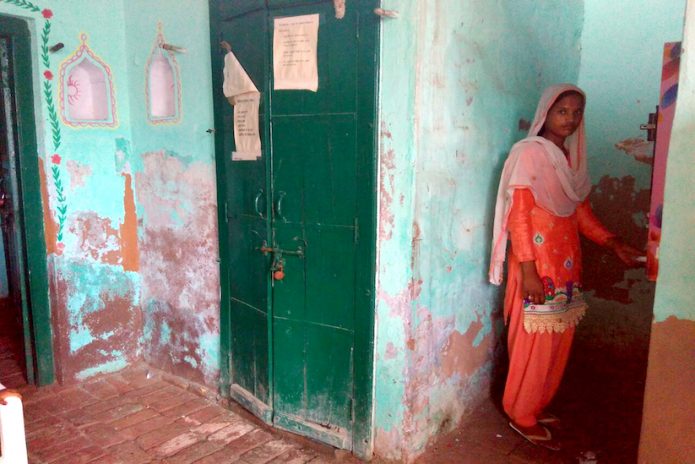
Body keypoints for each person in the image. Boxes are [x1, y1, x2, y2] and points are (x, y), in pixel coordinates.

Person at [489, 84, 642, 450]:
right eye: (562, 111)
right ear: (546, 113)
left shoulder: (569, 160)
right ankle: (521, 414)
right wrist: (528, 271)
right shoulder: (528, 154)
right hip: (535, 267)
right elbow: (519, 217)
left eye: (576, 112)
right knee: (533, 346)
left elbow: (580, 215)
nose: (570, 119)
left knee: (556, 345)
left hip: (566, 267)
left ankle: (536, 404)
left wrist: (613, 243)